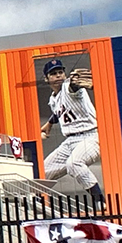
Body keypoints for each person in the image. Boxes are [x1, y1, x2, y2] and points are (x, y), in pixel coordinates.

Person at [40, 58, 103, 204]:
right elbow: (58, 112)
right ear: (46, 78)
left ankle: (100, 200)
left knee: (74, 164)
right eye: (53, 73)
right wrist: (49, 124)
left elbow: (73, 87)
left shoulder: (69, 86)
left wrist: (75, 82)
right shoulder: (53, 99)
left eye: (61, 72)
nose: (58, 76)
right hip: (70, 140)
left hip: (90, 136)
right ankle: (38, 201)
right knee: (42, 172)